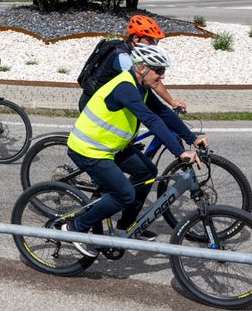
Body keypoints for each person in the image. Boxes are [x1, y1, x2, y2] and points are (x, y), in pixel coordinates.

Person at [63, 45, 208, 252]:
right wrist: (180, 151)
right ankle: (75, 229)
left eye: (163, 71)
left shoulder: (141, 87)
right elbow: (151, 120)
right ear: (141, 68)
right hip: (89, 148)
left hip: (112, 147)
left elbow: (164, 114)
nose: (162, 76)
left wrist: (192, 138)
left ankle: (126, 225)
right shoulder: (125, 87)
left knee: (147, 171)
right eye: (158, 70)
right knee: (124, 194)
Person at [77, 14, 188, 113]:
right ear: (135, 38)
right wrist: (171, 103)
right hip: (92, 104)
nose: (154, 45)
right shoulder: (123, 57)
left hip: (104, 100)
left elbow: (154, 79)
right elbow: (150, 82)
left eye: (156, 41)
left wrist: (172, 102)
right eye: (150, 40)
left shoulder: (134, 53)